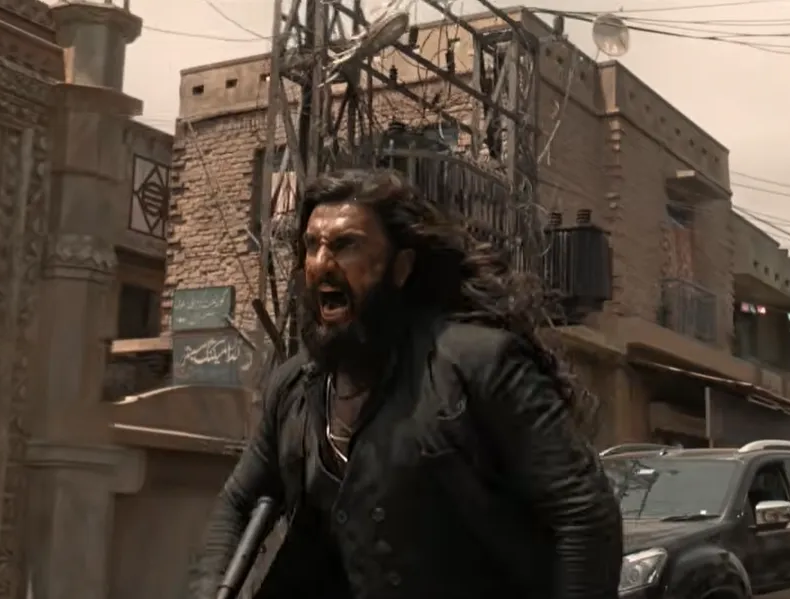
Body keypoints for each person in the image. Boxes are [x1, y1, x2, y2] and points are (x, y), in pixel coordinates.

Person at [186, 169, 624, 599]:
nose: (321, 264)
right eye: (312, 245)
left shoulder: (477, 365)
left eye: (346, 245)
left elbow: (584, 513)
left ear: (401, 268)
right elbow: (238, 503)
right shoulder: (295, 389)